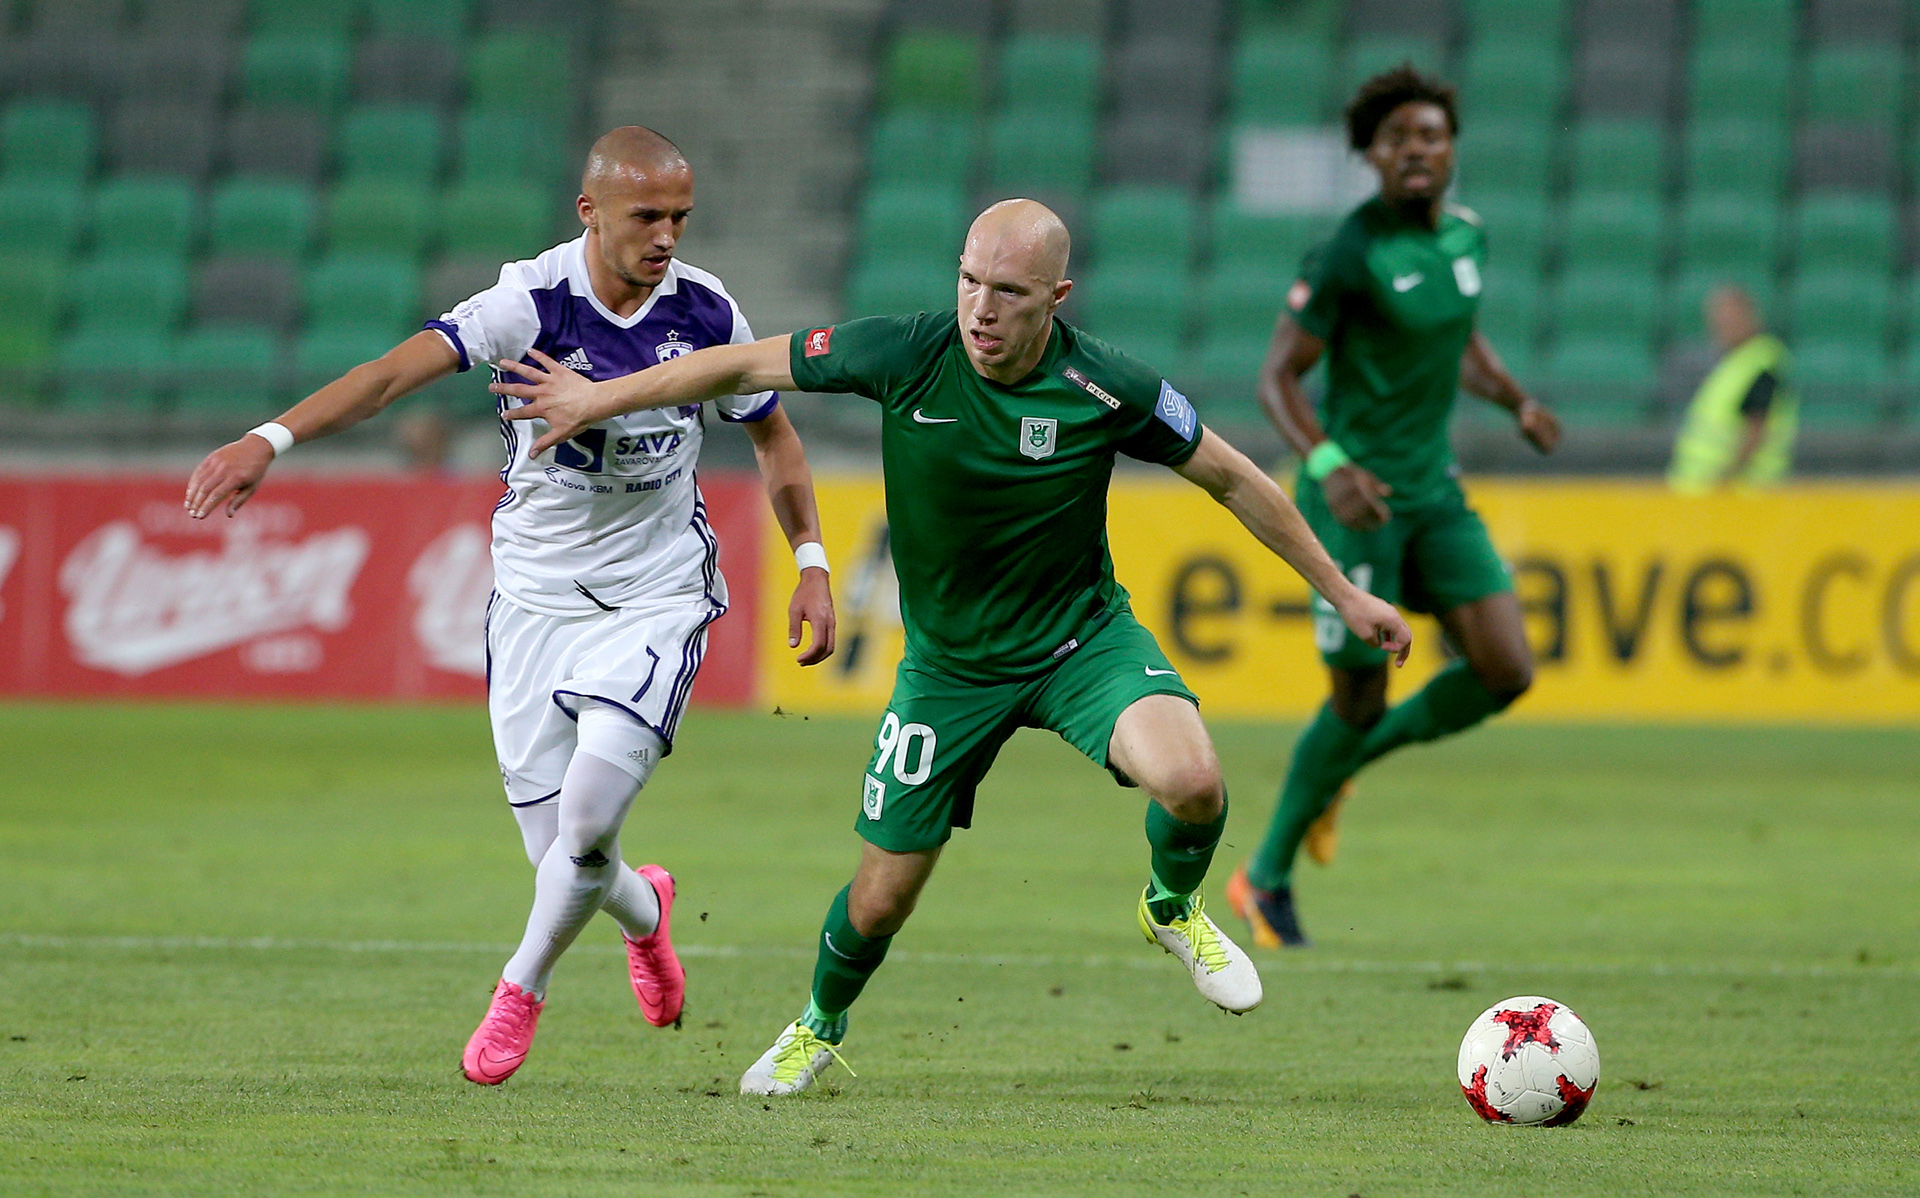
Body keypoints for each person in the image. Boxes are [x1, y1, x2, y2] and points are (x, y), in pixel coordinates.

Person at [487, 198, 1414, 1096]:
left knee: (1195, 782)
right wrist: (599, 395)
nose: (980, 308)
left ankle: (1171, 906)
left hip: (1080, 642)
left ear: (1057, 297)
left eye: (1009, 291)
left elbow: (1233, 478)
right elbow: (738, 365)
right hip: (949, 673)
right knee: (880, 901)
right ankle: (819, 1023)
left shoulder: (1108, 386)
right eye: (969, 281)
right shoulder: (907, 351)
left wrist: (1343, 591)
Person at [183, 127, 837, 1086]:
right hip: (533, 600)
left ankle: (519, 990)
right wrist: (268, 439)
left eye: (680, 217)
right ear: (590, 212)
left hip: (656, 593)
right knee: (567, 856)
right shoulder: (526, 303)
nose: (666, 236)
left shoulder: (706, 311)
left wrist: (811, 560)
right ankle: (648, 914)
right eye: (646, 216)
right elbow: (388, 377)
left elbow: (773, 436)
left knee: (586, 821)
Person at [1225, 65, 1561, 949]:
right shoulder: (1349, 252)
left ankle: (1340, 773)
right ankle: (1264, 877)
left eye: (1431, 136)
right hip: (1356, 502)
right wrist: (1329, 462)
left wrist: (1518, 401)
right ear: (1371, 155)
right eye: (1398, 138)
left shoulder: (1468, 237)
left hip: (1432, 492)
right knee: (1359, 699)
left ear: (1452, 150)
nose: (1416, 150)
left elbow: (1461, 341)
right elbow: (1277, 378)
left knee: (1506, 669)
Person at [1668, 286, 1797, 492]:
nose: (1722, 325)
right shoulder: (1736, 361)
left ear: (1750, 317)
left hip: (1739, 494)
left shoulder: (1761, 363)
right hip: (1705, 492)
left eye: (1731, 318)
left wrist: (1724, 480)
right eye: (1718, 319)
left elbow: (1756, 429)